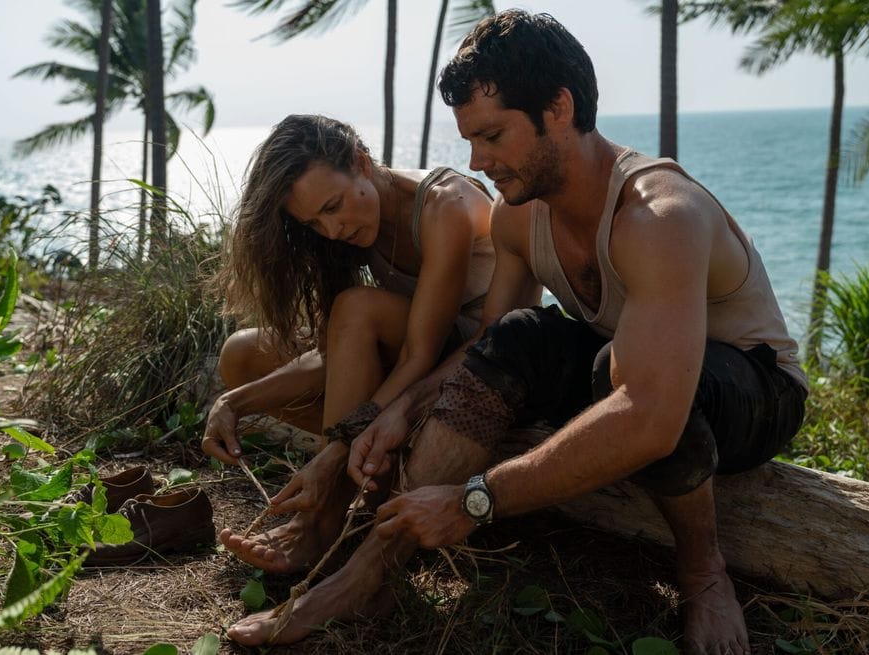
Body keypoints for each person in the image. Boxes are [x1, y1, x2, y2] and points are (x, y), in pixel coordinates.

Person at [225, 12, 808, 655]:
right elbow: (488, 345)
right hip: (628, 368)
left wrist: (475, 500)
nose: (477, 161)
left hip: (754, 385)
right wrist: (399, 411)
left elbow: (650, 414)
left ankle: (704, 573)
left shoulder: (660, 215)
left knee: (622, 371)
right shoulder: (516, 217)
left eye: (493, 135)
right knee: (526, 332)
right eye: (470, 140)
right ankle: (365, 577)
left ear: (558, 109)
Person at [202, 113, 505, 575]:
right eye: (314, 223)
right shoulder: (356, 226)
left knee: (357, 306)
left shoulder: (444, 206)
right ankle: (369, 473)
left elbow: (419, 354)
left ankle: (323, 517)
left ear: (361, 162)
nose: (331, 230)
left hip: (469, 361)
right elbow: (339, 345)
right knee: (243, 357)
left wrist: (333, 450)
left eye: (332, 206)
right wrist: (234, 400)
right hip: (405, 357)